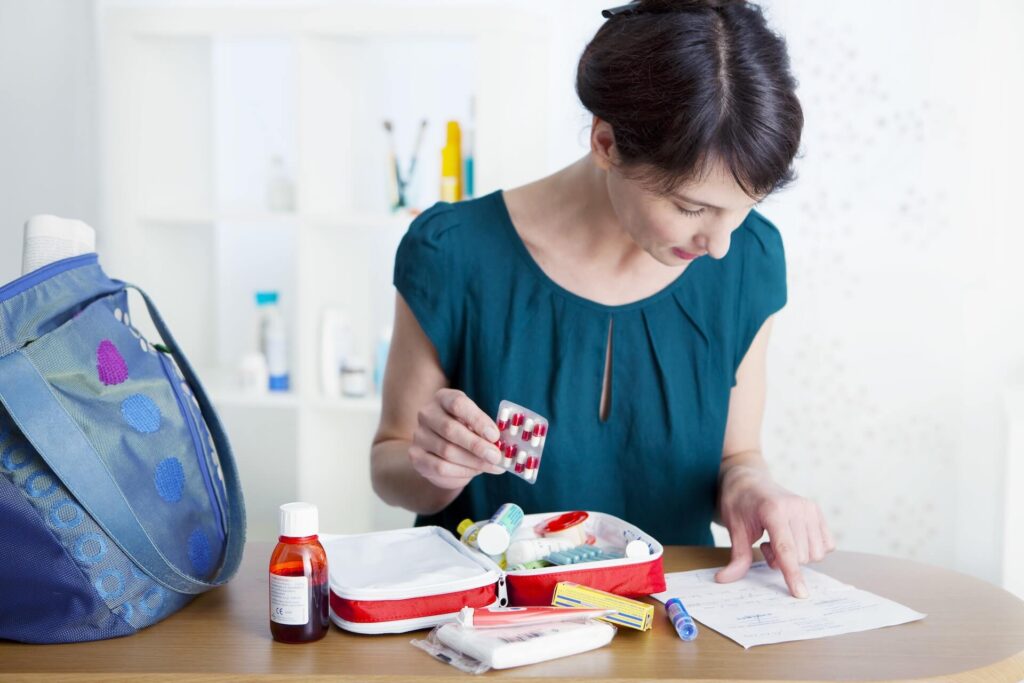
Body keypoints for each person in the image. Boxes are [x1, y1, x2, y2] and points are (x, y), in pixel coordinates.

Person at [371, 0, 834, 598]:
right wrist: (431, 468)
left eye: (744, 210)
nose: (720, 244)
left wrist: (752, 488)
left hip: (669, 622)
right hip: (488, 624)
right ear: (607, 142)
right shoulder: (452, 253)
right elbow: (389, 465)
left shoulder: (751, 260)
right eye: (693, 207)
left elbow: (737, 454)